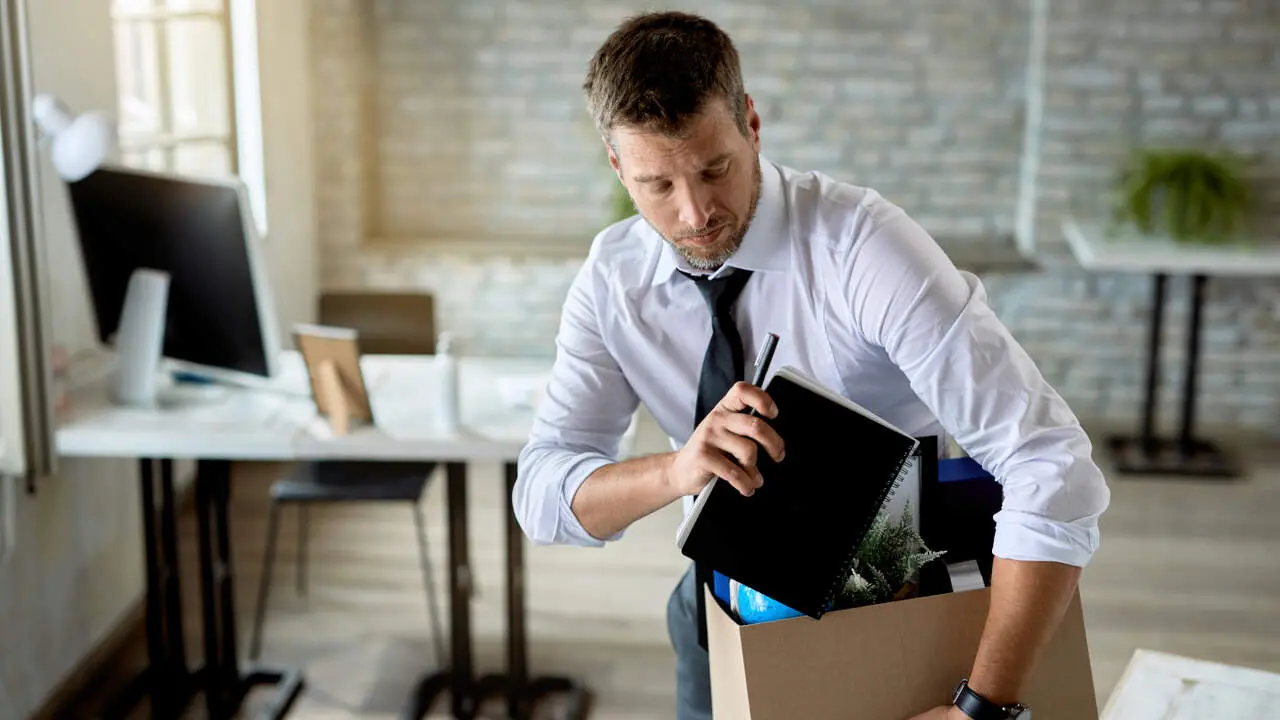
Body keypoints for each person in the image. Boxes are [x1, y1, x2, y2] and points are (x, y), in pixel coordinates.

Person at [513, 10, 1110, 720]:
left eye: (715, 169)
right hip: (718, 614)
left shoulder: (865, 248)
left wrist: (984, 708)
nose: (695, 213)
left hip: (898, 612)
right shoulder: (613, 281)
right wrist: (677, 472)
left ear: (752, 123)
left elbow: (1051, 465)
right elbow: (542, 494)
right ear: (618, 166)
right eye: (657, 185)